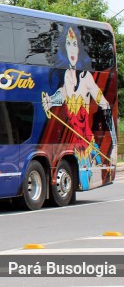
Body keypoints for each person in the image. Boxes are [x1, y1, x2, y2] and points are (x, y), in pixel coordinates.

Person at [42, 26, 116, 190]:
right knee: (81, 180)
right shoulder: (66, 77)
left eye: (75, 44)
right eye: (68, 44)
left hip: (87, 143)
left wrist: (113, 143)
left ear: (79, 48)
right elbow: (59, 97)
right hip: (73, 146)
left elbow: (104, 104)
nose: (72, 49)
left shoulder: (86, 77)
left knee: (85, 179)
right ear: (64, 49)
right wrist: (48, 101)